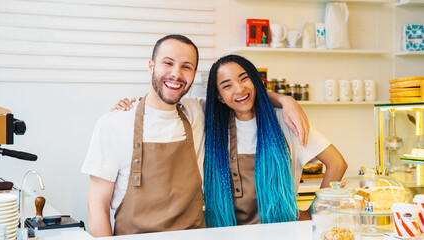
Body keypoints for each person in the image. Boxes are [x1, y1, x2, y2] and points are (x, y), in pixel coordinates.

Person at [83, 35, 310, 237]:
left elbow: (238, 96)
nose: (176, 74)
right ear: (151, 66)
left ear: (193, 75)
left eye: (186, 67)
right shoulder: (114, 124)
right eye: (168, 63)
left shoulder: (198, 112)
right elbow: (97, 207)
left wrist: (284, 100)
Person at [202, 55, 347, 227]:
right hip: (227, 234)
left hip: (281, 233)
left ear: (255, 81)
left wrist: (314, 212)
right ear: (219, 97)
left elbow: (337, 163)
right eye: (227, 86)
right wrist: (283, 98)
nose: (239, 89)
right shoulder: (212, 129)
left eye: (244, 79)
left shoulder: (285, 119)